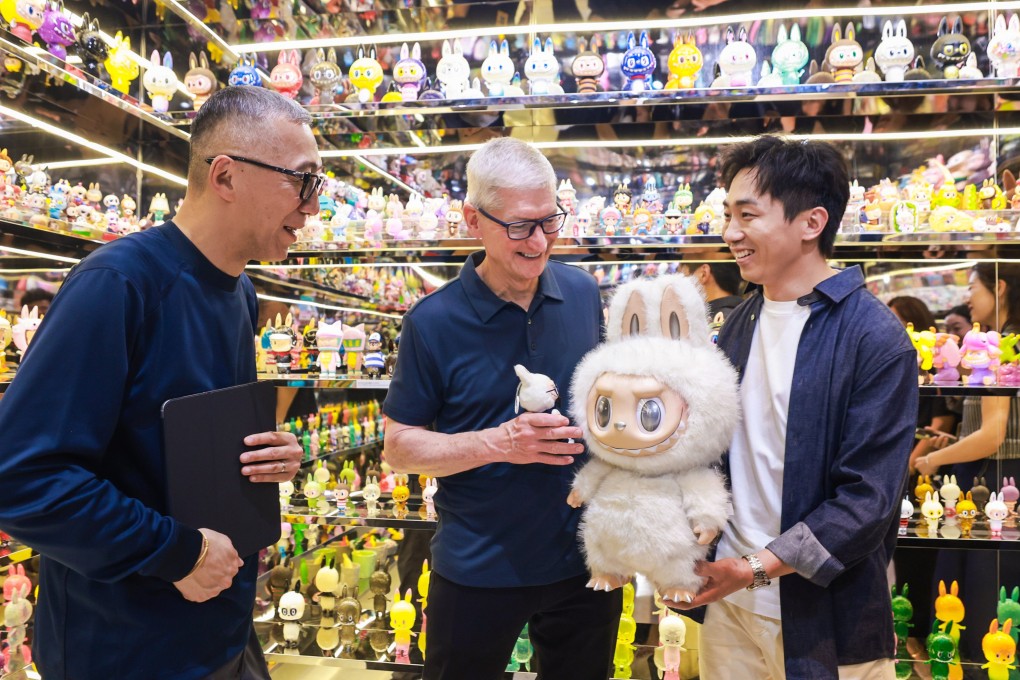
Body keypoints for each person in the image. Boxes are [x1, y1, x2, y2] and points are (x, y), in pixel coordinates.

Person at [0, 86, 315, 679]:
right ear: (225, 176)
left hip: (219, 633)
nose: (312, 206)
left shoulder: (239, 291)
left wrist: (262, 454)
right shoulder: (117, 285)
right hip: (125, 649)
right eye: (303, 181)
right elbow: (19, 476)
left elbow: (180, 437)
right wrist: (175, 551)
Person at [670, 135, 918, 680]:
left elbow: (867, 501)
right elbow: (720, 455)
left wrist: (752, 568)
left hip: (827, 618)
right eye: (727, 214)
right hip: (730, 607)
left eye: (748, 215)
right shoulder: (739, 321)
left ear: (811, 223)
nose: (730, 232)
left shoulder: (873, 337)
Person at [382, 137, 621, 680]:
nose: (539, 242)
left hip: (584, 561)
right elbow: (399, 447)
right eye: (519, 225)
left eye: (550, 220)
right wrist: (500, 442)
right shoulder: (432, 321)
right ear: (473, 220)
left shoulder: (583, 294)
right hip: (476, 568)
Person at [915, 262, 1020, 483]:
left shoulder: (1002, 349)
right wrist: (959, 442)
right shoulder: (1005, 345)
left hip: (996, 473)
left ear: (999, 288)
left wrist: (931, 459)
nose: (967, 298)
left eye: (972, 287)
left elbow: (992, 436)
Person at [886, 295, 959, 473]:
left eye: (899, 322)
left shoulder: (934, 364)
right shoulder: (895, 364)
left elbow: (940, 423)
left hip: (920, 463)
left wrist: (907, 468)